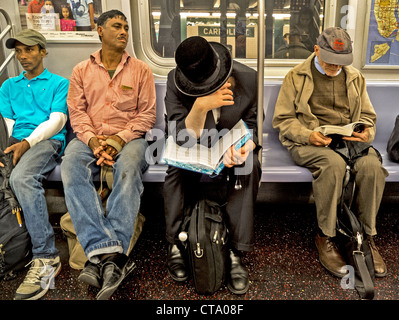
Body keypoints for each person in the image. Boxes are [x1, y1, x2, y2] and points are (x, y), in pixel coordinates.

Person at [273, 27, 388, 278]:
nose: (336, 68)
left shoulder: (355, 77)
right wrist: (308, 135)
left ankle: (366, 236)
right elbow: (283, 119)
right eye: (330, 62)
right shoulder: (296, 76)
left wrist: (366, 131)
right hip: (310, 141)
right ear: (316, 50)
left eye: (341, 63)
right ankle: (326, 235)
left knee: (372, 169)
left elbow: (367, 116)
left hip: (347, 141)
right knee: (333, 166)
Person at [61, 10, 156, 300]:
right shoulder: (81, 71)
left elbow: (147, 115)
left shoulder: (141, 69)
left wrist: (118, 140)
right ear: (99, 30)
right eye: (116, 26)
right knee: (70, 166)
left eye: (127, 27)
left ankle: (98, 259)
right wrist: (93, 141)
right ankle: (112, 257)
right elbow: (76, 113)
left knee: (128, 170)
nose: (124, 31)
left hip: (129, 138)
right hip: (89, 138)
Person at [163, 36, 261, 294]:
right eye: (201, 89)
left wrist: (242, 148)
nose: (208, 89)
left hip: (231, 142)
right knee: (175, 169)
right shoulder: (175, 82)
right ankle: (175, 242)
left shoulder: (248, 78)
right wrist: (200, 106)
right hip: (192, 142)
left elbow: (254, 127)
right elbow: (181, 138)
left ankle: (235, 250)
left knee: (249, 163)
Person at [0, 29, 69, 300]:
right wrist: (10, 151)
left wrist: (26, 143)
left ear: (43, 51)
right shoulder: (8, 86)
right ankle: (14, 248)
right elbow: (10, 126)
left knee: (21, 179)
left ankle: (47, 257)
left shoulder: (58, 83)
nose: (23, 56)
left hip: (46, 141)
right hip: (18, 142)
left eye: (29, 50)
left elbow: (57, 122)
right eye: (18, 51)